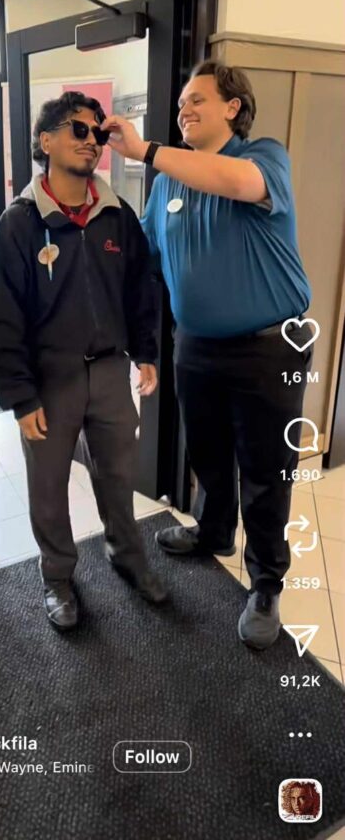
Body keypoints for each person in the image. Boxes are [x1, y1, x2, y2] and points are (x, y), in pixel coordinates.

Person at [99, 61, 313, 651]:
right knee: (210, 455)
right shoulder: (168, 181)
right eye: (181, 102)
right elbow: (138, 252)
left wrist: (146, 150)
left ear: (233, 108)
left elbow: (235, 182)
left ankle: (266, 581)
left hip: (270, 347)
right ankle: (214, 532)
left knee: (266, 470)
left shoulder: (265, 157)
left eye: (197, 100)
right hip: (195, 344)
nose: (184, 108)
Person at [0, 90, 168, 630]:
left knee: (117, 474)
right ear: (46, 141)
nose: (91, 141)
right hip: (49, 378)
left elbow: (141, 288)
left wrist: (146, 352)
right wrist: (19, 395)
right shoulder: (18, 224)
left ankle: (127, 556)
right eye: (78, 130)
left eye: (98, 133)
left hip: (109, 372)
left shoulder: (116, 216)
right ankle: (58, 576)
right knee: (49, 484)